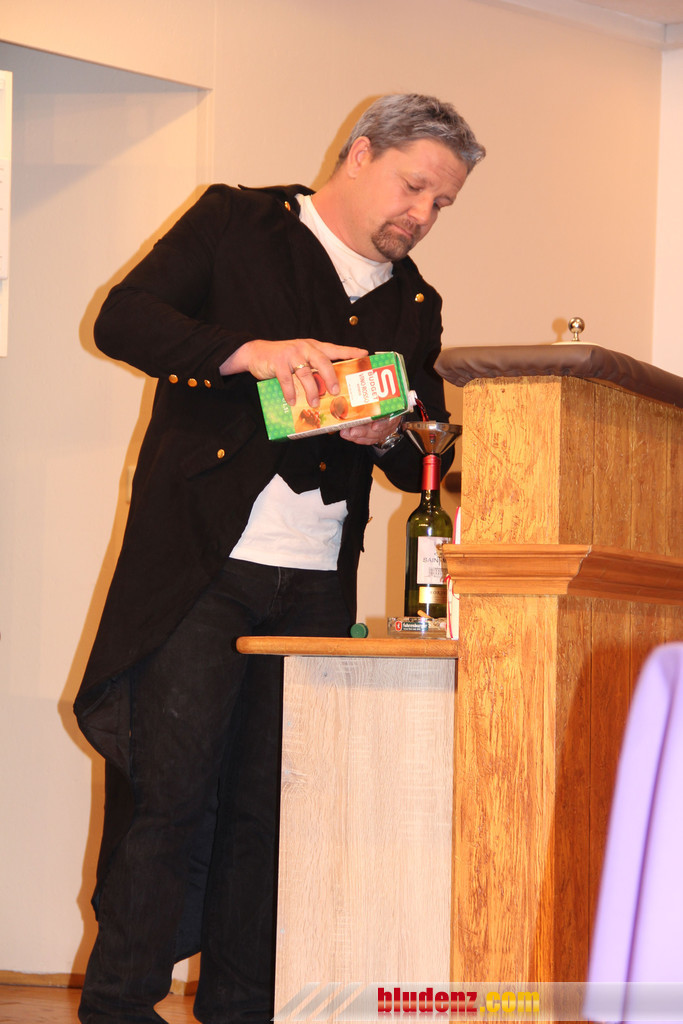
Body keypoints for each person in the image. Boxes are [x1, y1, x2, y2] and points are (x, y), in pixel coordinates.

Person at [74, 93, 485, 1024]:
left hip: (315, 580)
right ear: (359, 153)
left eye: (441, 203)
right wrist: (248, 352)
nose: (421, 214)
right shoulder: (236, 221)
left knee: (276, 812)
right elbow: (123, 321)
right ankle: (119, 1008)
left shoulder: (414, 302)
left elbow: (421, 456)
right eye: (412, 186)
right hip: (202, 565)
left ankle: (243, 1008)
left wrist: (390, 434)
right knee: (168, 800)